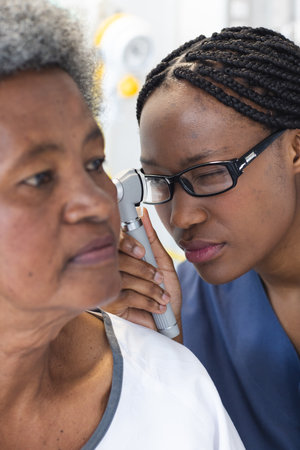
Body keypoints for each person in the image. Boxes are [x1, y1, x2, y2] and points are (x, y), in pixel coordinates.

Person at [0, 1, 246, 449]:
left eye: (94, 162)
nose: (97, 201)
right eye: (39, 178)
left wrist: (155, 363)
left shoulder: (172, 388)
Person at [113, 27, 300, 449]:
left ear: (295, 150)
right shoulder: (174, 312)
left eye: (210, 173)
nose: (181, 217)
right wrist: (158, 353)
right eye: (161, 183)